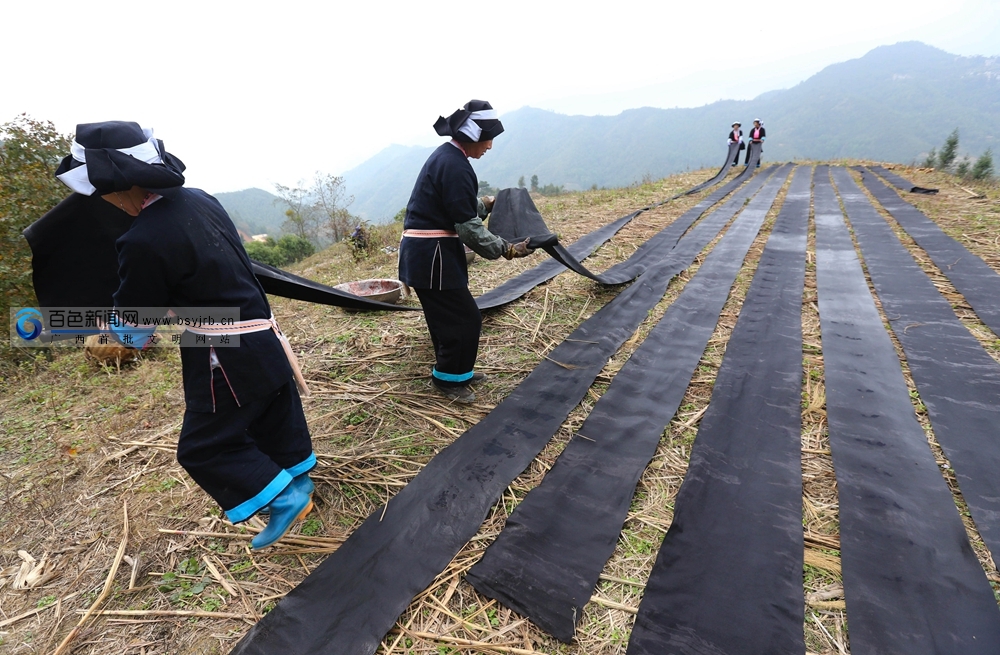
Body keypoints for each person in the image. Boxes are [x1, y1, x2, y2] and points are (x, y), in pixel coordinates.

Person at [49, 121, 316, 549]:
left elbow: (137, 321)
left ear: (120, 187)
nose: (108, 202)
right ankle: (300, 480)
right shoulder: (201, 200)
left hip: (222, 351)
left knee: (204, 447)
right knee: (272, 413)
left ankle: (284, 497)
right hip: (263, 336)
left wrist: (111, 332)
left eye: (104, 192)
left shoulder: (142, 239)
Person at [399, 100, 536, 404]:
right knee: (464, 318)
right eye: (488, 139)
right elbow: (467, 227)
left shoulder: (449, 159)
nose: (489, 146)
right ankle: (448, 380)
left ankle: (457, 372)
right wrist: (507, 249)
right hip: (431, 256)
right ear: (474, 136)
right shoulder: (455, 165)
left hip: (426, 254)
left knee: (446, 316)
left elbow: (455, 207)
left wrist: (485, 205)